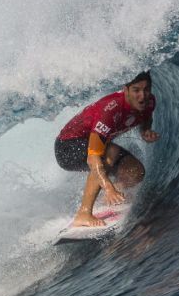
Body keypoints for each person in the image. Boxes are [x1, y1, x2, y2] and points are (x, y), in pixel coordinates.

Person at [54, 71, 160, 227]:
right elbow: (93, 157)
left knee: (136, 172)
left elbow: (146, 118)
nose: (142, 96)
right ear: (126, 90)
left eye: (146, 89)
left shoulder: (149, 102)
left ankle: (111, 196)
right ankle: (83, 213)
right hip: (67, 147)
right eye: (136, 90)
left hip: (93, 146)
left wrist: (146, 131)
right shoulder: (111, 109)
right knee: (110, 152)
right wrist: (107, 186)